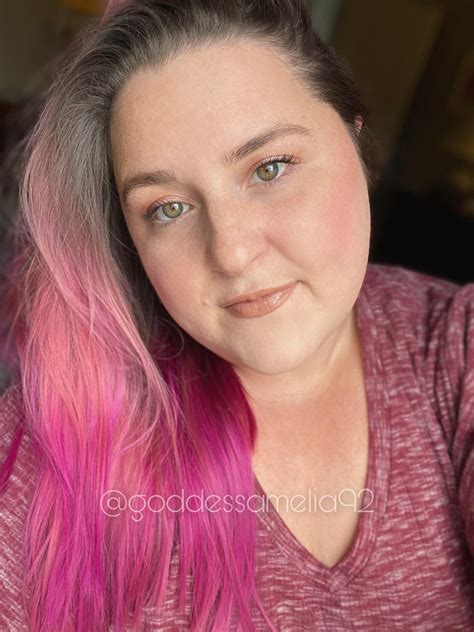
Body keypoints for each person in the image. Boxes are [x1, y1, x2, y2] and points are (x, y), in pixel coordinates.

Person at [0, 1, 473, 630]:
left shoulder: (457, 346)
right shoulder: (54, 436)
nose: (231, 252)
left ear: (354, 135)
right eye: (168, 208)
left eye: (269, 168)